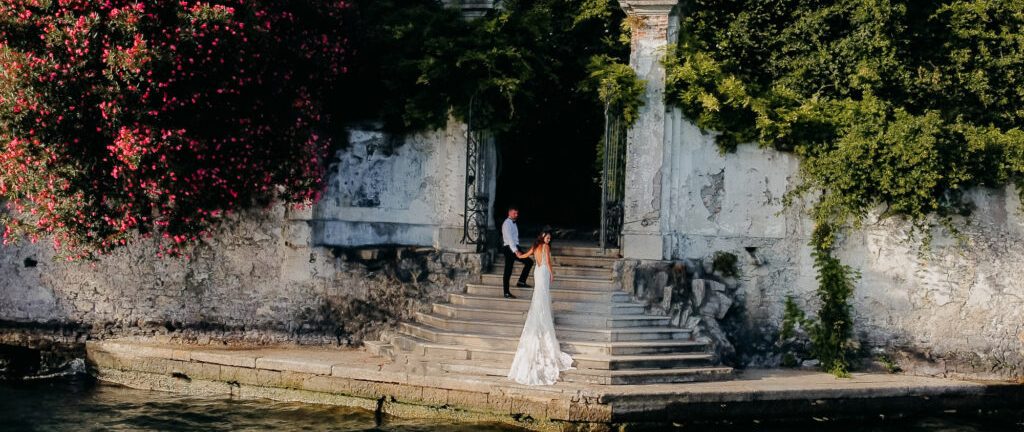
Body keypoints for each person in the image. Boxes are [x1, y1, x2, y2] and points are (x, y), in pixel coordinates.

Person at [507, 231, 574, 385]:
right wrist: (552, 273)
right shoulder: (545, 247)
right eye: (547, 237)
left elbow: (524, 256)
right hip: (543, 271)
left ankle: (540, 314)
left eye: (550, 238)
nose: (548, 240)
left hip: (537, 271)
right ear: (543, 237)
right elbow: (548, 262)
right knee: (542, 294)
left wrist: (517, 254)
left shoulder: (535, 246)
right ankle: (543, 317)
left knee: (539, 295)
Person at [501, 206, 533, 299]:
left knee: (529, 262)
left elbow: (514, 239)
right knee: (508, 270)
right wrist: (516, 251)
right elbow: (510, 239)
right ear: (509, 213)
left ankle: (521, 282)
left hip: (514, 246)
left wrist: (517, 248)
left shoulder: (513, 223)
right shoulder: (507, 224)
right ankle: (506, 292)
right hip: (509, 248)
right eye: (514, 213)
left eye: (517, 213)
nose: (516, 215)